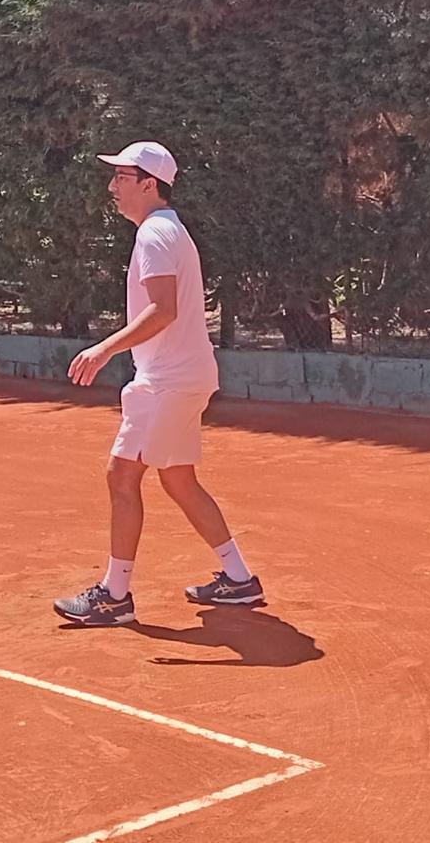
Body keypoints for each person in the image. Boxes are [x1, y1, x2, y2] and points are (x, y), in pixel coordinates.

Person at [54, 140, 264, 627]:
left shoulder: (155, 234)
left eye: (122, 177)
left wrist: (104, 349)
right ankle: (239, 578)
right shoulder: (168, 230)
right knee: (178, 477)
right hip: (183, 377)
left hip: (167, 382)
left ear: (149, 184)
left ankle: (114, 596)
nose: (113, 186)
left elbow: (163, 310)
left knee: (121, 476)